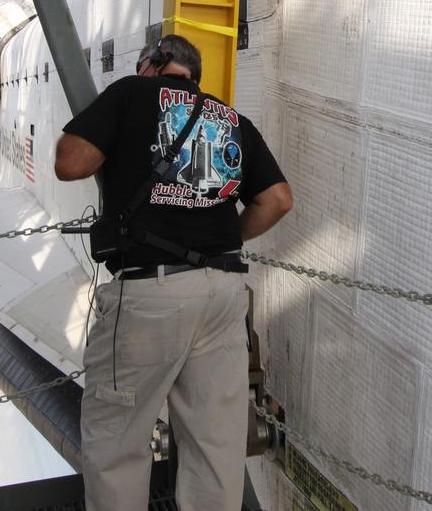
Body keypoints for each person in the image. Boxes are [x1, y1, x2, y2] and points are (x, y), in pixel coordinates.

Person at [54, 35, 293, 511]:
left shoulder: (131, 92)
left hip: (150, 294)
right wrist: (221, 242)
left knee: (118, 441)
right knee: (214, 444)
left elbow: (70, 163)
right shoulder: (231, 119)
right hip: (224, 293)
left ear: (155, 64)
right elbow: (277, 200)